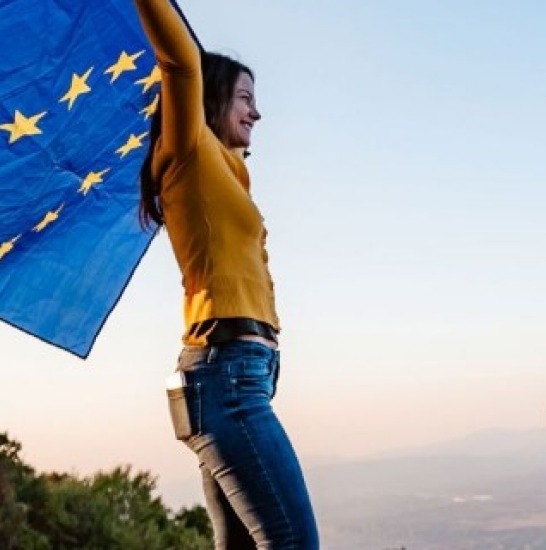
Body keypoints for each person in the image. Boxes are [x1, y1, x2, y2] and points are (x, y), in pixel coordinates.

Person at [132, 0, 318, 547]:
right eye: (245, 99)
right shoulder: (189, 148)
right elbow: (181, 62)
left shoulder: (228, 174)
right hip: (226, 375)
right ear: (211, 99)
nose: (257, 113)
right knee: (293, 541)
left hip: (240, 373)